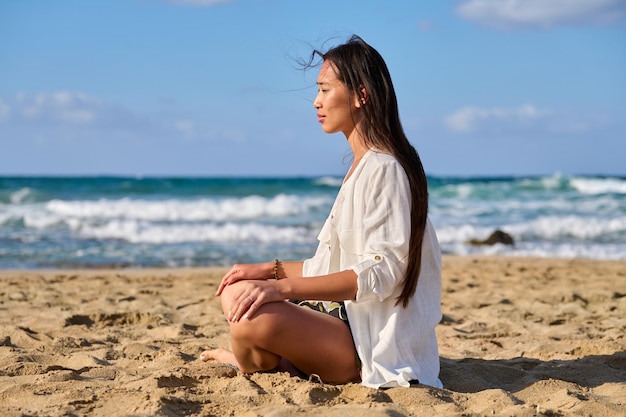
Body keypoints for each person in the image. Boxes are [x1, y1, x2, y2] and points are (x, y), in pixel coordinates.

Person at [201, 34, 443, 389]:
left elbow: (384, 271)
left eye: (325, 89)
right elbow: (332, 267)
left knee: (251, 321)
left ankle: (261, 359)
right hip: (340, 321)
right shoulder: (361, 167)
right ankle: (270, 358)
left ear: (361, 95)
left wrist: (282, 290)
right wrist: (270, 270)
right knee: (234, 288)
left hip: (368, 344)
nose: (316, 102)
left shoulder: (385, 168)